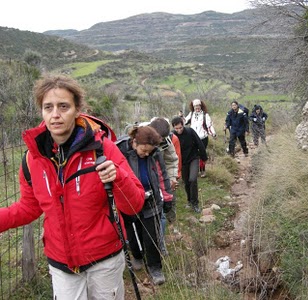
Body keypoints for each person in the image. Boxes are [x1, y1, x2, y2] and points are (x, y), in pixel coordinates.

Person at [0, 74, 145, 300]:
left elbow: (134, 205)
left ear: (77, 110)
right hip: (61, 264)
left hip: (104, 260)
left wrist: (118, 178)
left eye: (63, 106)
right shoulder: (33, 159)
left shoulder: (102, 149)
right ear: (41, 111)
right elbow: (30, 208)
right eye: (48, 107)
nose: (55, 114)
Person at [117, 125, 172, 285]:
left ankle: (155, 268)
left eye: (149, 151)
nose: (146, 154)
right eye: (144, 150)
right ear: (134, 142)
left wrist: (167, 197)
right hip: (129, 201)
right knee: (132, 234)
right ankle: (137, 256)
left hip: (151, 200)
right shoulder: (121, 152)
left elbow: (162, 175)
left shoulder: (155, 154)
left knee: (152, 236)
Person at [149, 117, 181, 256]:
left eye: (162, 139)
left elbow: (172, 160)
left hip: (160, 180)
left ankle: (159, 245)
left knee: (161, 214)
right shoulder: (138, 138)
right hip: (141, 181)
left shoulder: (166, 142)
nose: (160, 142)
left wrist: (172, 179)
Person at [171, 116, 208, 213]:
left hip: (193, 158)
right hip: (182, 161)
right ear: (173, 128)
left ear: (183, 125)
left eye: (180, 128)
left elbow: (199, 143)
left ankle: (195, 203)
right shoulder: (172, 136)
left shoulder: (190, 132)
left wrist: (204, 157)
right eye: (176, 128)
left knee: (193, 179)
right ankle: (189, 200)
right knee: (186, 182)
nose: (179, 130)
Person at [184, 99, 216, 178]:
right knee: (193, 154)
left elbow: (209, 126)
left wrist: (213, 133)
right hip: (193, 138)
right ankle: (194, 170)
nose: (197, 107)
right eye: (195, 106)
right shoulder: (191, 114)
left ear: (201, 106)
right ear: (193, 107)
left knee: (202, 154)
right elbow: (184, 121)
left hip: (203, 138)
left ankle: (202, 170)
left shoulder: (205, 115)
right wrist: (180, 118)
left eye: (198, 105)